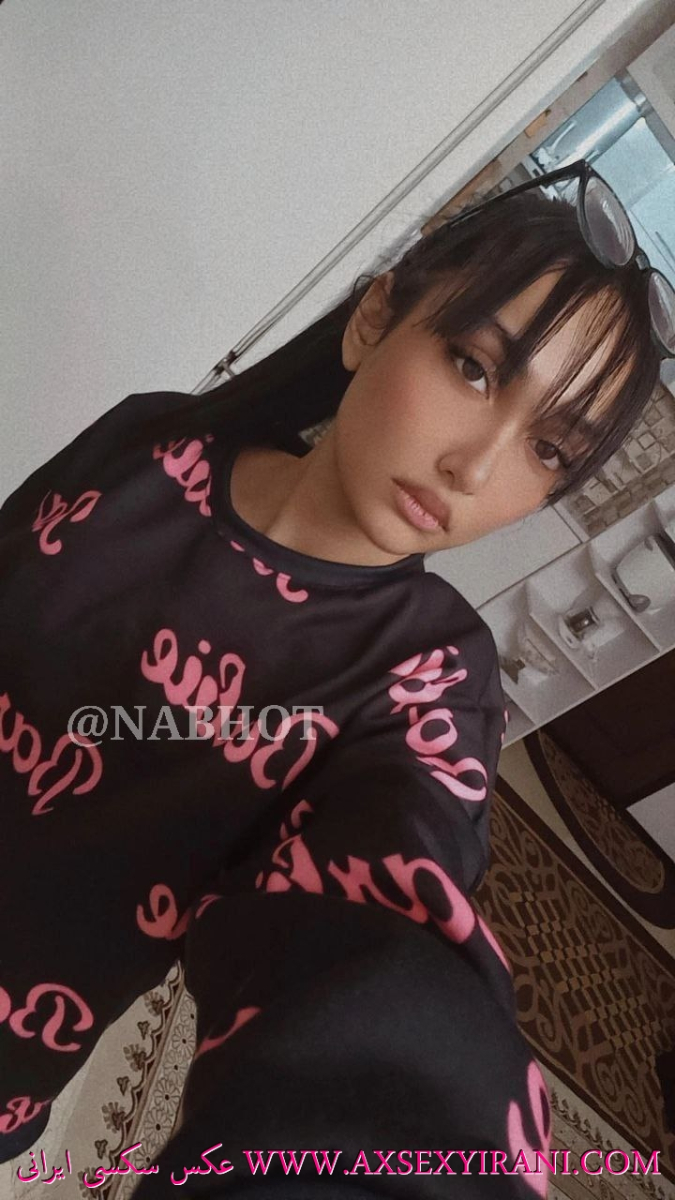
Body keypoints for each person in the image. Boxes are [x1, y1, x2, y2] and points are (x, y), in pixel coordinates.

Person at [0, 163, 672, 1198]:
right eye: (473, 366)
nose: (475, 467)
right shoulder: (148, 441)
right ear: (373, 322)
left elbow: (393, 903)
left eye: (547, 449)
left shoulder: (424, 685)